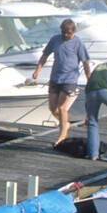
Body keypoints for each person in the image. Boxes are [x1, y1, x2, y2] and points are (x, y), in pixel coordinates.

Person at [32, 18, 91, 146]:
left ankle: (62, 136)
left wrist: (89, 78)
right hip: (55, 78)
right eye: (64, 32)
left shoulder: (78, 42)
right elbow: (44, 56)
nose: (65, 35)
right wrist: (37, 70)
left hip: (70, 79)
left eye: (68, 33)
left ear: (73, 32)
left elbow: (85, 62)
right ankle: (66, 124)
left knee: (62, 106)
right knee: (52, 108)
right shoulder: (55, 40)